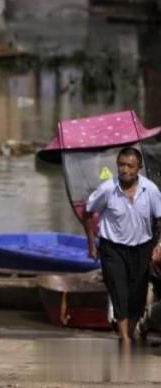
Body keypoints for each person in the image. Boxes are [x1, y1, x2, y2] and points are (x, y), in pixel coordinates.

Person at [83, 146, 161, 346]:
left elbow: (160, 219)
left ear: (139, 168)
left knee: (138, 295)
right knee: (118, 290)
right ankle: (125, 338)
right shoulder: (108, 189)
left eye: (130, 166)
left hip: (142, 247)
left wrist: (158, 246)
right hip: (112, 248)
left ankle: (130, 329)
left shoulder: (150, 190)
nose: (125, 170)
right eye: (121, 165)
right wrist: (92, 243)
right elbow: (88, 212)